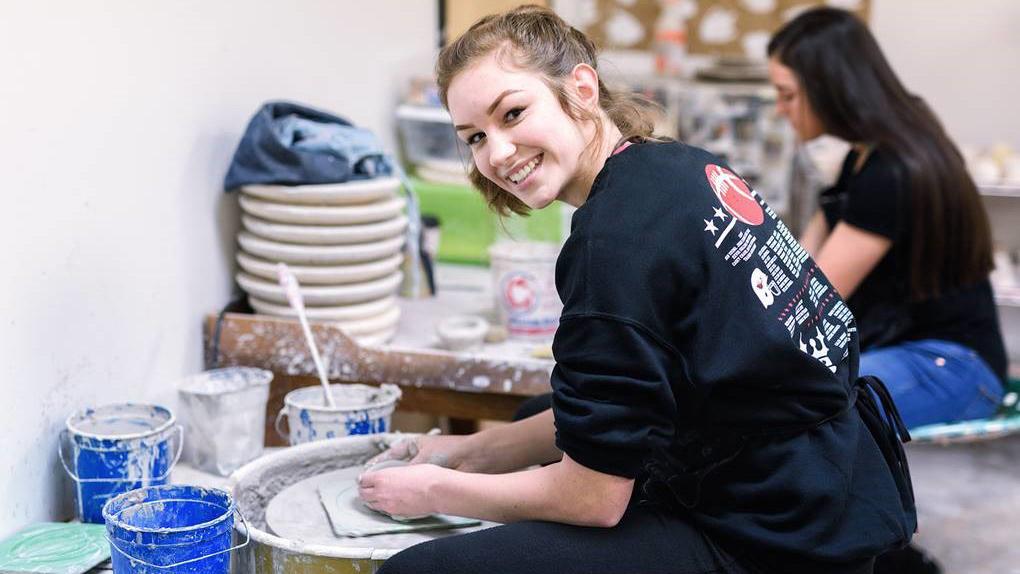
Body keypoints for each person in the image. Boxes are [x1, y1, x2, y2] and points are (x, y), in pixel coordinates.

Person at [358, 6, 916, 574]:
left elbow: (593, 500)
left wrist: (435, 491)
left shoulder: (614, 243)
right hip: (825, 478)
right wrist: (467, 454)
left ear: (579, 87)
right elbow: (639, 397)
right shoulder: (679, 165)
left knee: (417, 570)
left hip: (775, 534)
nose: (497, 153)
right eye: (475, 136)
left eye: (514, 113)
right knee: (541, 413)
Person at [766, 9, 1008, 574]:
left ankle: (880, 553)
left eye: (787, 95)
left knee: (803, 408)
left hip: (954, 365)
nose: (780, 110)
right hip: (921, 346)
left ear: (830, 87)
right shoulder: (871, 152)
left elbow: (808, 304)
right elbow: (803, 267)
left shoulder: (890, 171)